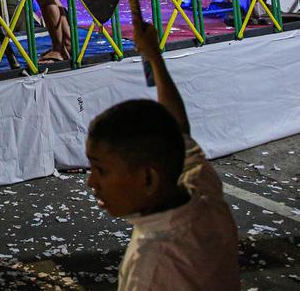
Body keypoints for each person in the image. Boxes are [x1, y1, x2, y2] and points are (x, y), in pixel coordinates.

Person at [86, 20, 239, 289]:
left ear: (149, 179)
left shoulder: (151, 269)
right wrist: (153, 56)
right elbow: (179, 132)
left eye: (102, 170)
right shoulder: (202, 192)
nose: (92, 182)